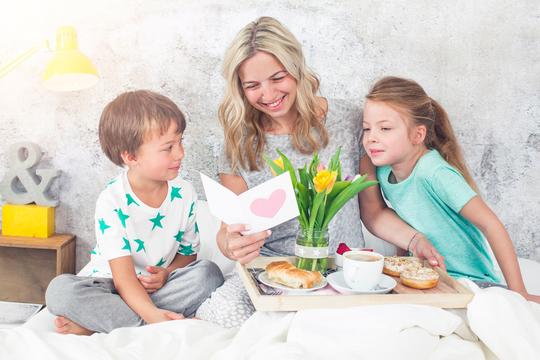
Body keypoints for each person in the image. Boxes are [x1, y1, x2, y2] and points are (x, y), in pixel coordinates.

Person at [196, 17, 444, 328]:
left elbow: (373, 212)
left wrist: (415, 239)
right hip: (274, 273)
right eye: (252, 85)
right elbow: (228, 229)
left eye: (278, 77)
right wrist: (230, 244)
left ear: (297, 69)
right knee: (220, 318)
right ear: (239, 88)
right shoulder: (238, 142)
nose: (268, 93)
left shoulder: (350, 121)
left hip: (341, 271)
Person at [45, 90, 225, 334]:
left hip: (155, 288)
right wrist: (155, 319)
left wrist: (166, 274)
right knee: (60, 290)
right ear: (131, 157)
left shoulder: (184, 193)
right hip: (110, 285)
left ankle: (99, 323)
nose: (180, 153)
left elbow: (187, 256)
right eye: (168, 147)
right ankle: (152, 322)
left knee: (208, 273)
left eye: (180, 142)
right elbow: (123, 279)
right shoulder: (112, 200)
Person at [361, 76, 539, 302]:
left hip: (470, 279)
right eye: (366, 129)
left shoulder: (435, 172)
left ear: (418, 135)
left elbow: (491, 224)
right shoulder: (383, 169)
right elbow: (406, 217)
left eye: (385, 128)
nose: (371, 138)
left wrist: (519, 292)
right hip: (428, 277)